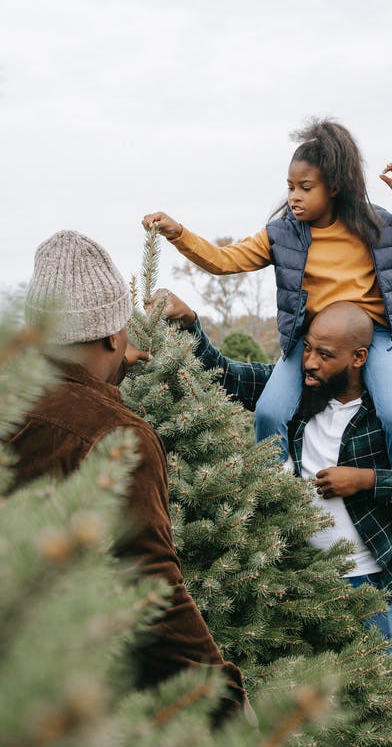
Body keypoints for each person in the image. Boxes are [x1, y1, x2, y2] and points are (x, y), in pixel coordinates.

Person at [141, 118, 392, 571]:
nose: (294, 196)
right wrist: (179, 234)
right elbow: (224, 261)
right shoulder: (282, 235)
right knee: (270, 412)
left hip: (373, 335)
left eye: (305, 187)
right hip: (310, 338)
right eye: (290, 186)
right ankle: (282, 503)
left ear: (333, 186)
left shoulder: (375, 224)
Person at [159, 292, 392, 691]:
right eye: (307, 349)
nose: (309, 362)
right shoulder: (299, 394)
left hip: (375, 583)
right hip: (303, 579)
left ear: (358, 357)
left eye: (324, 354)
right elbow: (225, 374)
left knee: (383, 696)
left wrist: (366, 480)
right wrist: (190, 325)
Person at [7, 230, 245, 722]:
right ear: (114, 335)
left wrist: (105, 376)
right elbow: (149, 588)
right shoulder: (116, 436)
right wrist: (220, 700)